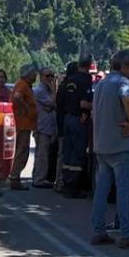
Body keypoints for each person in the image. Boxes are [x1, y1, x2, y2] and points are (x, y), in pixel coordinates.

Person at [90, 50, 129, 248]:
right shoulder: (124, 84)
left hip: (101, 145)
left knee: (102, 190)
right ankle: (127, 234)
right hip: (120, 146)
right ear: (123, 67)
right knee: (124, 190)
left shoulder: (101, 84)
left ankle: (99, 231)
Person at [60, 54, 95, 199]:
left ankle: (65, 183)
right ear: (89, 65)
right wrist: (97, 104)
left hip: (68, 117)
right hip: (79, 119)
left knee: (67, 153)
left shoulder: (70, 80)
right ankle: (73, 188)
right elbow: (83, 103)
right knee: (77, 154)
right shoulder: (85, 80)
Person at [8, 64, 38, 190]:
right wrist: (25, 107)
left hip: (25, 124)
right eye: (33, 73)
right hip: (22, 125)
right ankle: (14, 178)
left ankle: (15, 177)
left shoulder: (25, 85)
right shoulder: (23, 85)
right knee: (22, 152)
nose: (35, 75)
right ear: (27, 74)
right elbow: (16, 97)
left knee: (22, 152)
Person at [54, 61, 78, 192]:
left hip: (62, 123)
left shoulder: (63, 86)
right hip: (65, 123)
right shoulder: (68, 86)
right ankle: (60, 181)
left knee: (63, 153)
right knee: (63, 154)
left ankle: (60, 180)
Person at [32, 67, 56, 188]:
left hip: (48, 127)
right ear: (41, 77)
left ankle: (38, 176)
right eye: (47, 76)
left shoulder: (46, 90)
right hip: (42, 127)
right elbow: (51, 103)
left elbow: (52, 106)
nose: (50, 78)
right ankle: (39, 179)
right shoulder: (40, 91)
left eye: (52, 76)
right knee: (42, 156)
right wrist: (53, 92)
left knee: (43, 154)